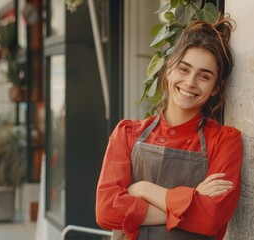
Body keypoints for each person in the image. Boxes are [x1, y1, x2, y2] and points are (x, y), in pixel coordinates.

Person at [96, 14, 243, 240]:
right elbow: (107, 212)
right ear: (168, 69)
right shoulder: (127, 134)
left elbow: (211, 218)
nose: (190, 82)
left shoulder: (225, 141)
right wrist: (192, 198)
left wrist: (142, 189)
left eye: (204, 76)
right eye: (184, 69)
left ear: (215, 88)